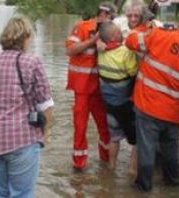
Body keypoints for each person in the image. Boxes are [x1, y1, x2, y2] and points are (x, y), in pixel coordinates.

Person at [0, 17, 54, 198]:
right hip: (21, 140)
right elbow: (45, 104)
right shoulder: (32, 62)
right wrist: (46, 133)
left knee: (2, 191)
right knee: (21, 193)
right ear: (26, 37)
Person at [125, 16, 179, 191]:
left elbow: (130, 42)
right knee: (170, 151)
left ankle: (143, 187)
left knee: (146, 148)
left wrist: (144, 28)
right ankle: (172, 184)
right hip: (173, 112)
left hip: (149, 105)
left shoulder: (160, 35)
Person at [65, 1, 117, 170]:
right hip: (81, 89)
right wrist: (93, 40)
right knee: (80, 127)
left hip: (101, 89)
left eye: (110, 18)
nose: (106, 20)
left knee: (105, 127)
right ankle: (79, 165)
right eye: (104, 16)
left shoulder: (111, 32)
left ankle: (106, 160)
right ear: (100, 14)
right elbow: (70, 50)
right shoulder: (81, 27)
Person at [97, 22, 137, 172]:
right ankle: (132, 171)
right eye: (120, 31)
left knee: (114, 137)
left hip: (109, 104)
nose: (122, 32)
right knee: (137, 140)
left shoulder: (101, 51)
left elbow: (101, 40)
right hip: (125, 104)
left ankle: (111, 167)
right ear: (114, 36)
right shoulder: (125, 52)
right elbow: (133, 72)